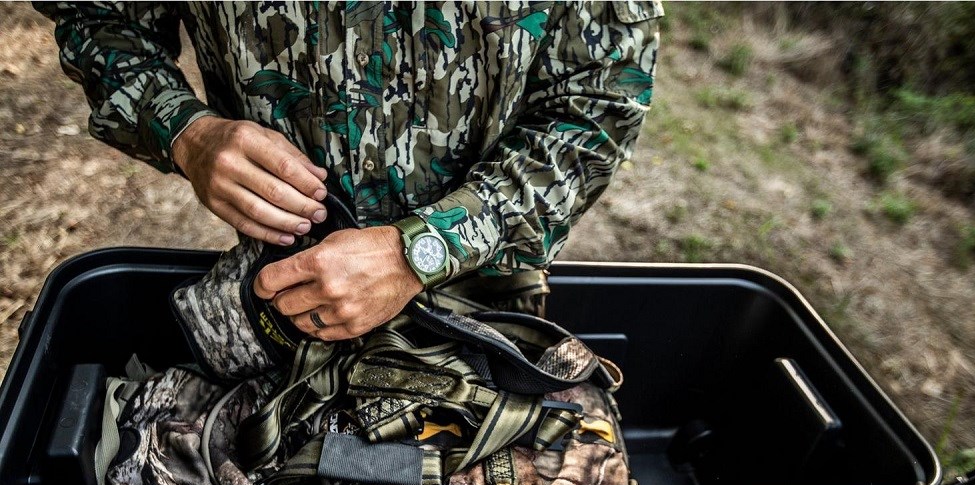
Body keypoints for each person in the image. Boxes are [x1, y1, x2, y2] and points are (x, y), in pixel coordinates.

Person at [38, 2, 662, 340]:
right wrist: (183, 129)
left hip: (481, 302)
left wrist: (424, 248)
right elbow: (96, 16)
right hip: (277, 297)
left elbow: (599, 101)